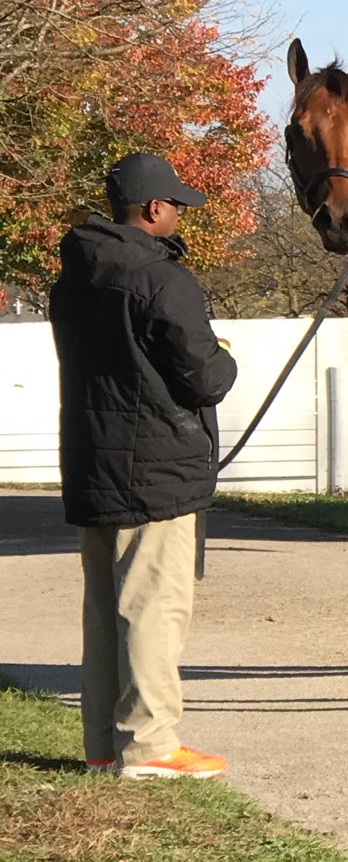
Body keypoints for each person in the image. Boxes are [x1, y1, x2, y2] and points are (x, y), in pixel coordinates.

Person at [49, 151, 238, 779]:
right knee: (155, 607)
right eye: (176, 206)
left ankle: (105, 744)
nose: (180, 216)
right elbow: (204, 375)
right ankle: (151, 746)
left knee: (104, 612)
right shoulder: (162, 280)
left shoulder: (72, 280)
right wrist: (225, 356)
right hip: (156, 469)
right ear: (151, 209)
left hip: (92, 463)